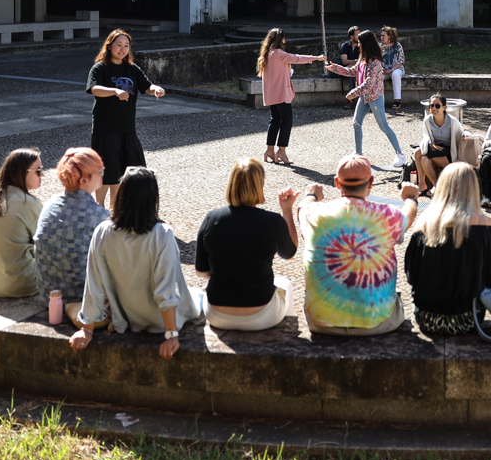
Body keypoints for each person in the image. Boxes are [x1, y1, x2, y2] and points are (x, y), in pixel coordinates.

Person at [69, 167, 203, 355]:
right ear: (152, 199)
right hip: (162, 321)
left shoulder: (103, 231)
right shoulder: (161, 234)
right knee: (200, 297)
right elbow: (166, 288)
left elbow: (94, 284)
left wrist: (86, 329)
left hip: (127, 319)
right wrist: (171, 334)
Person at [295, 155, 419, 335]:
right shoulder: (386, 216)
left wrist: (311, 194)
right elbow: (408, 215)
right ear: (371, 182)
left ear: (337, 183)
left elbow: (301, 208)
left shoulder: (315, 213)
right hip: (377, 322)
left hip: (321, 322)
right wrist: (411, 198)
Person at [195, 157, 299, 331]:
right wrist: (287, 210)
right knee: (285, 284)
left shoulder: (212, 218)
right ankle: (288, 339)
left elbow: (201, 271)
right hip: (260, 314)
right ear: (261, 185)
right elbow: (289, 253)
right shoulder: (272, 221)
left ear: (232, 183)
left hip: (216, 313)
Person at [404, 162, 491, 334]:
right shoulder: (486, 225)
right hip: (468, 317)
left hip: (427, 317)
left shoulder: (423, 225)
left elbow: (411, 275)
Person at [86, 29, 165, 209]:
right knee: (106, 171)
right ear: (109, 46)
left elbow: (146, 86)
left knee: (125, 171)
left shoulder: (132, 68)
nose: (122, 49)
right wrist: (114, 91)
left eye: (126, 46)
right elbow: (94, 89)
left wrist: (156, 89)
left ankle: (115, 211)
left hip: (127, 128)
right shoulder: (100, 67)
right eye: (118, 45)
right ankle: (98, 209)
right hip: (105, 129)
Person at [34, 147, 109, 305]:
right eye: (100, 171)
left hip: (49, 292)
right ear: (83, 180)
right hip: (83, 296)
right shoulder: (98, 215)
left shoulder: (50, 205)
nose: (103, 173)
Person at [324, 29, 406, 167]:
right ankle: (358, 152)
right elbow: (352, 71)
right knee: (356, 123)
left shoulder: (375, 61)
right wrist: (335, 68)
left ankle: (400, 154)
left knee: (384, 126)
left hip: (375, 97)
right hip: (364, 96)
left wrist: (352, 93)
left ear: (366, 44)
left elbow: (369, 83)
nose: (358, 45)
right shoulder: (363, 59)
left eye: (360, 42)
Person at [0, 149, 45, 298]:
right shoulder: (29, 203)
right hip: (18, 285)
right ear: (22, 172)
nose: (42, 175)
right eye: (38, 171)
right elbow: (46, 245)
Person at [255, 27, 325, 166]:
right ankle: (281, 152)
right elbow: (297, 58)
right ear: (280, 40)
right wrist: (316, 57)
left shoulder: (267, 54)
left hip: (271, 95)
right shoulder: (279, 54)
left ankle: (270, 150)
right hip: (281, 94)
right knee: (286, 122)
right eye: (283, 38)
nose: (285, 41)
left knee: (275, 120)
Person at [415, 93, 465, 193]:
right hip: (434, 149)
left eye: (437, 106)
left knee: (418, 152)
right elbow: (426, 136)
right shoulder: (427, 120)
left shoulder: (452, 121)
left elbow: (462, 133)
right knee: (424, 159)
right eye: (431, 105)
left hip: (448, 153)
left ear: (444, 107)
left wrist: (466, 135)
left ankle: (421, 184)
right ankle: (435, 185)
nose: (434, 108)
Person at [380, 26, 407, 112]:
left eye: (383, 35)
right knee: (377, 77)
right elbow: (376, 60)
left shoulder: (397, 45)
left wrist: (391, 70)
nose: (381, 37)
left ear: (390, 37)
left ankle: (397, 100)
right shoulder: (380, 46)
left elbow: (401, 61)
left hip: (396, 69)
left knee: (395, 74)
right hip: (384, 70)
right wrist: (381, 69)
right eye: (381, 35)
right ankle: (379, 101)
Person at [336, 26, 361, 94]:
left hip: (359, 67)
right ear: (352, 37)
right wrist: (356, 62)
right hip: (350, 68)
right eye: (357, 35)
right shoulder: (345, 46)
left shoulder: (362, 45)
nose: (360, 37)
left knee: (354, 71)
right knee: (352, 71)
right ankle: (351, 97)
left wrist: (353, 63)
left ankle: (351, 97)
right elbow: (344, 61)